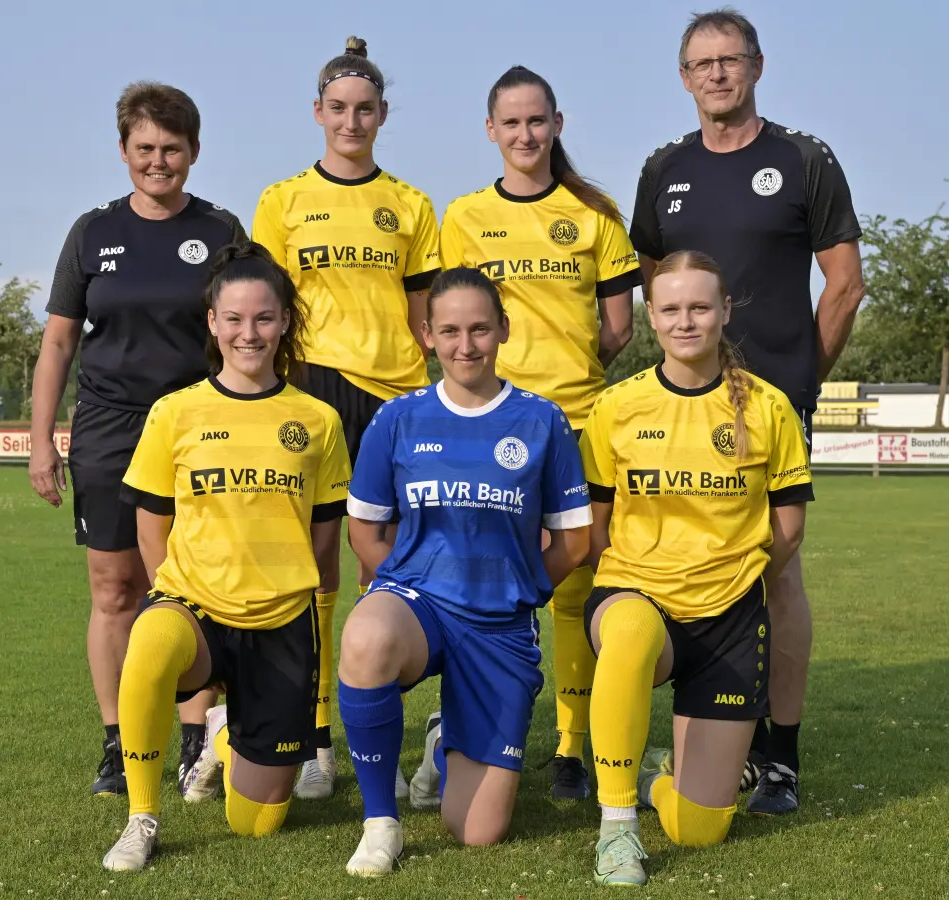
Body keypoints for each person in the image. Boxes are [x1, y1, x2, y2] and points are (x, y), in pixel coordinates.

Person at [628, 7, 865, 815]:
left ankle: (782, 755)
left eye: (732, 60)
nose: (718, 74)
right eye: (703, 63)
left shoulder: (803, 160)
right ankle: (706, 729)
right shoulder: (663, 169)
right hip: (682, 409)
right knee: (680, 566)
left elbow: (845, 285)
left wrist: (797, 382)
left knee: (777, 571)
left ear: (757, 66)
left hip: (768, 409)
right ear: (685, 77)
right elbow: (659, 288)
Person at [99, 242, 351, 871]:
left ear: (285, 321)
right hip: (196, 609)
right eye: (234, 319)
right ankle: (141, 816)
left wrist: (307, 598)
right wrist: (173, 592)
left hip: (283, 622)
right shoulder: (175, 412)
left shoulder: (317, 420)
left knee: (257, 823)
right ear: (212, 322)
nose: (249, 333)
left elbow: (324, 540)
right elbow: (151, 522)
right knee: (149, 643)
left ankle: (223, 734)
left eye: (263, 318)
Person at [29, 81, 247, 797]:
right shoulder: (93, 233)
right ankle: (119, 742)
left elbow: (248, 332)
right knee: (114, 587)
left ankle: (194, 740)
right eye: (145, 149)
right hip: (110, 431)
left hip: (198, 430)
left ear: (194, 152)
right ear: (123, 151)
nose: (159, 162)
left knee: (191, 588)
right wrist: (41, 442)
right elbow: (59, 342)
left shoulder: (220, 232)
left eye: (172, 149)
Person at [336, 267, 591, 876]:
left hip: (499, 624)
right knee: (367, 635)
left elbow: (576, 541)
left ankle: (441, 744)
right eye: (449, 330)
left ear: (504, 329)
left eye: (480, 328)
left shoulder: (541, 421)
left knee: (477, 831)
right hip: (418, 604)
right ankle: (381, 824)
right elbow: (366, 531)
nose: (465, 345)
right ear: (427, 335)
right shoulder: (398, 418)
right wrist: (399, 583)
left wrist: (518, 588)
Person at [436, 65, 640, 802]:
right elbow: (455, 319)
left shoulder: (595, 213)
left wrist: (568, 368)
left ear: (558, 124)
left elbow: (617, 326)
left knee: (574, 586)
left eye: (536, 121)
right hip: (489, 424)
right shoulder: (460, 216)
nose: (524, 135)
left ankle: (572, 748)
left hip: (578, 422)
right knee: (476, 580)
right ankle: (469, 729)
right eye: (510, 123)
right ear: (491, 131)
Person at [579, 250, 812, 886]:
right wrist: (635, 573)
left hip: (730, 618)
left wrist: (733, 576)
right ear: (651, 316)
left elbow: (787, 527)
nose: (687, 322)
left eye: (700, 307)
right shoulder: (616, 408)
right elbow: (596, 526)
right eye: (672, 309)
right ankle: (617, 827)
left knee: (700, 829)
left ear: (724, 311)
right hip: (637, 599)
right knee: (626, 637)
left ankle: (655, 780)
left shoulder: (768, 408)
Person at [252, 35, 442, 802]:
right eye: (339, 108)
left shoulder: (411, 204)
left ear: (383, 115)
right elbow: (262, 312)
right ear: (318, 113)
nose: (352, 120)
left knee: (387, 569)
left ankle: (378, 738)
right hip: (315, 390)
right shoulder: (283, 200)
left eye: (365, 109)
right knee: (313, 565)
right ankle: (316, 738)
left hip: (395, 394)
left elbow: (425, 316)